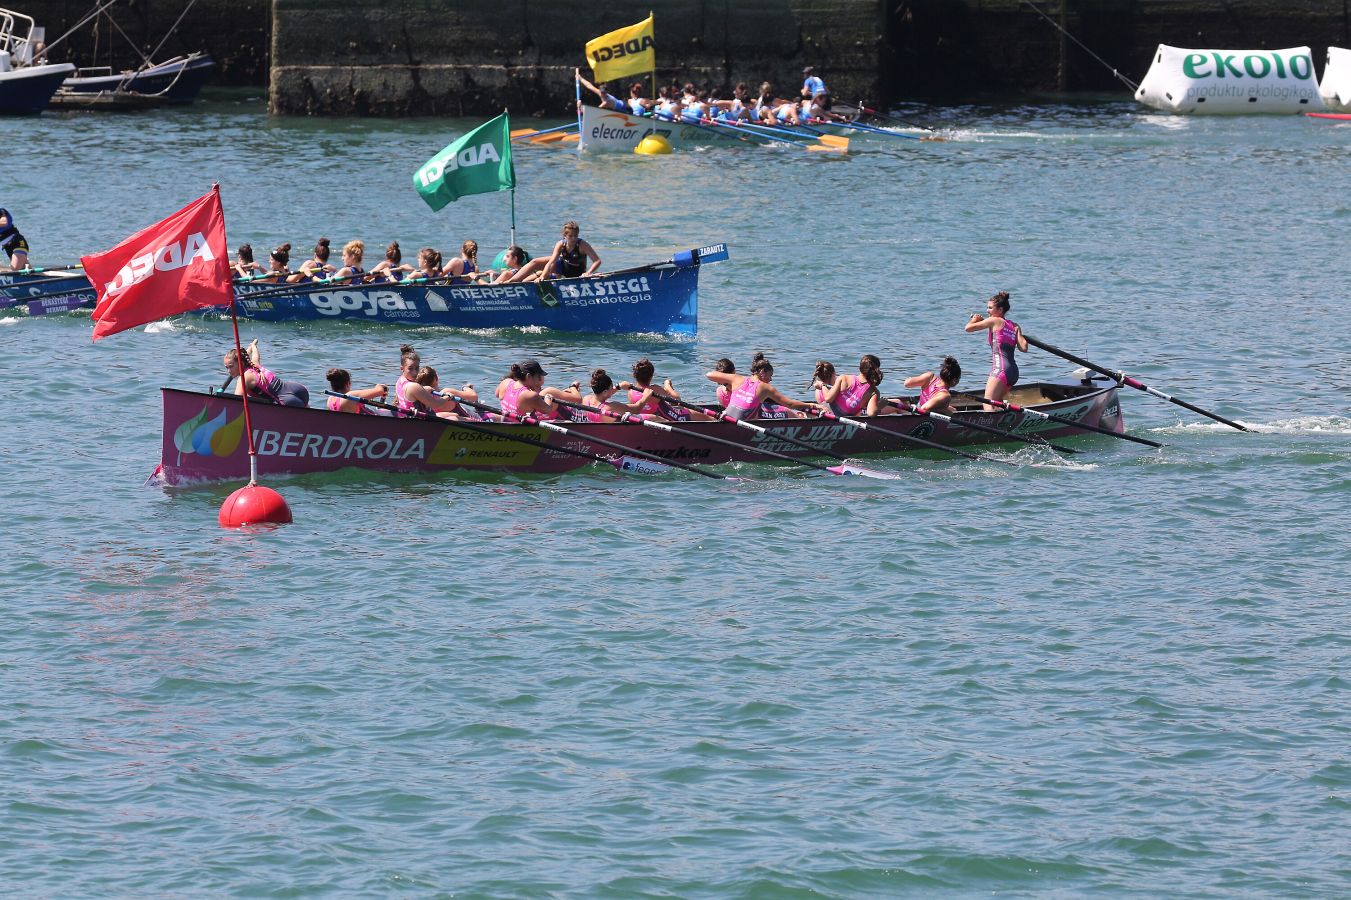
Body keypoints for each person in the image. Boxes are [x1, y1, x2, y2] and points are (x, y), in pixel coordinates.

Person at [707, 352, 822, 421]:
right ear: (762, 372)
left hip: (726, 417)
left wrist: (727, 379)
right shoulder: (765, 387)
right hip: (741, 422)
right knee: (787, 411)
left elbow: (709, 374)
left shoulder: (737, 378)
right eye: (770, 375)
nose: (770, 379)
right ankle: (804, 418)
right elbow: (790, 404)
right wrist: (812, 405)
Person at [964, 290, 1028, 409]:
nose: (987, 311)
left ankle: (989, 420)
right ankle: (1008, 418)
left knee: (987, 403)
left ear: (1000, 310)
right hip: (1013, 372)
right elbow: (1024, 348)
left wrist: (975, 319)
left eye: (990, 308)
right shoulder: (1014, 325)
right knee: (997, 403)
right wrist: (1018, 331)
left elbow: (968, 328)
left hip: (1001, 370)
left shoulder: (993, 320)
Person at [618, 357, 715, 421]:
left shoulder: (631, 392)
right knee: (706, 416)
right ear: (652, 376)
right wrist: (667, 385)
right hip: (669, 416)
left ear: (634, 375)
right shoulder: (655, 389)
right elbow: (677, 400)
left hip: (649, 418)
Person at [495, 358, 582, 421]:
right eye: (538, 377)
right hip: (527, 428)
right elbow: (547, 410)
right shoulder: (529, 395)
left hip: (510, 421)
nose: (538, 380)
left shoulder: (506, 382)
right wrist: (548, 398)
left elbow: (497, 394)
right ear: (528, 376)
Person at [223, 347, 309, 407]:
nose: (229, 371)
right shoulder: (254, 365)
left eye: (231, 367)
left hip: (286, 401)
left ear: (241, 364)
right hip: (297, 389)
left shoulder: (244, 378)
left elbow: (237, 402)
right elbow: (256, 356)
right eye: (226, 367)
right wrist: (253, 346)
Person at [813, 354, 885, 417]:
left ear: (860, 367)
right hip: (834, 415)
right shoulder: (874, 392)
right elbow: (871, 413)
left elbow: (828, 399)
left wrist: (822, 385)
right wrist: (879, 406)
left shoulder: (843, 378)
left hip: (824, 412)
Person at [577, 368, 654, 422]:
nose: (612, 388)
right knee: (654, 417)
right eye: (611, 387)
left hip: (597, 428)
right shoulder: (611, 407)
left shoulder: (586, 399)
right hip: (609, 433)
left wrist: (619, 386)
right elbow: (636, 409)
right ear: (605, 391)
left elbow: (602, 394)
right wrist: (645, 397)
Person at [533, 220, 601, 281]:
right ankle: (525, 283)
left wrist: (588, 273)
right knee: (538, 271)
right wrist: (542, 277)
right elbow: (551, 263)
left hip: (578, 276)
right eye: (570, 236)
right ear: (564, 235)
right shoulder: (560, 244)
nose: (573, 238)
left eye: (575, 235)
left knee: (540, 273)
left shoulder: (582, 244)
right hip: (563, 275)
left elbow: (597, 261)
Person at [404, 366, 479, 420]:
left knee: (454, 415)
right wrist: (466, 388)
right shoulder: (446, 392)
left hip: (440, 420)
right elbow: (473, 397)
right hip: (471, 420)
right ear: (436, 378)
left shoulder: (420, 395)